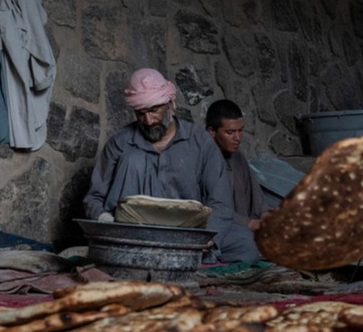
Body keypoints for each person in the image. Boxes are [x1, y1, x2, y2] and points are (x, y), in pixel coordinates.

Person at [83, 68, 258, 263]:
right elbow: (94, 197)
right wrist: (106, 220)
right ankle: (163, 257)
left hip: (187, 231)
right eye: (141, 114)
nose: (148, 120)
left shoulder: (200, 142)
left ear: (170, 104)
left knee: (245, 244)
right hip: (135, 232)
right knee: (133, 159)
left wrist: (207, 236)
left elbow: (220, 201)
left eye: (154, 110)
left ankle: (172, 256)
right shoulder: (121, 143)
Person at [206, 99, 270, 237]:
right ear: (212, 131)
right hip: (221, 232)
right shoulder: (201, 160)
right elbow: (209, 209)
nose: (237, 138)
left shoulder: (237, 156)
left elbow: (259, 202)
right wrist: (250, 224)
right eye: (230, 132)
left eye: (240, 131)